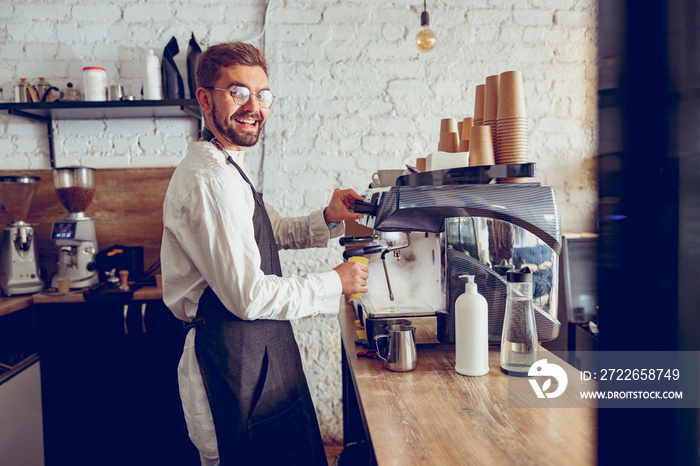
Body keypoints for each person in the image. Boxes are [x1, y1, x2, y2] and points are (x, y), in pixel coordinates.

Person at [160, 41, 369, 466]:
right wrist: (334, 281)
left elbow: (272, 231)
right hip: (231, 362)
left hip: (259, 352)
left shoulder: (228, 165)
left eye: (263, 95)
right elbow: (249, 296)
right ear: (205, 98)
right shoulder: (208, 181)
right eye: (238, 92)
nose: (254, 106)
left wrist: (329, 217)